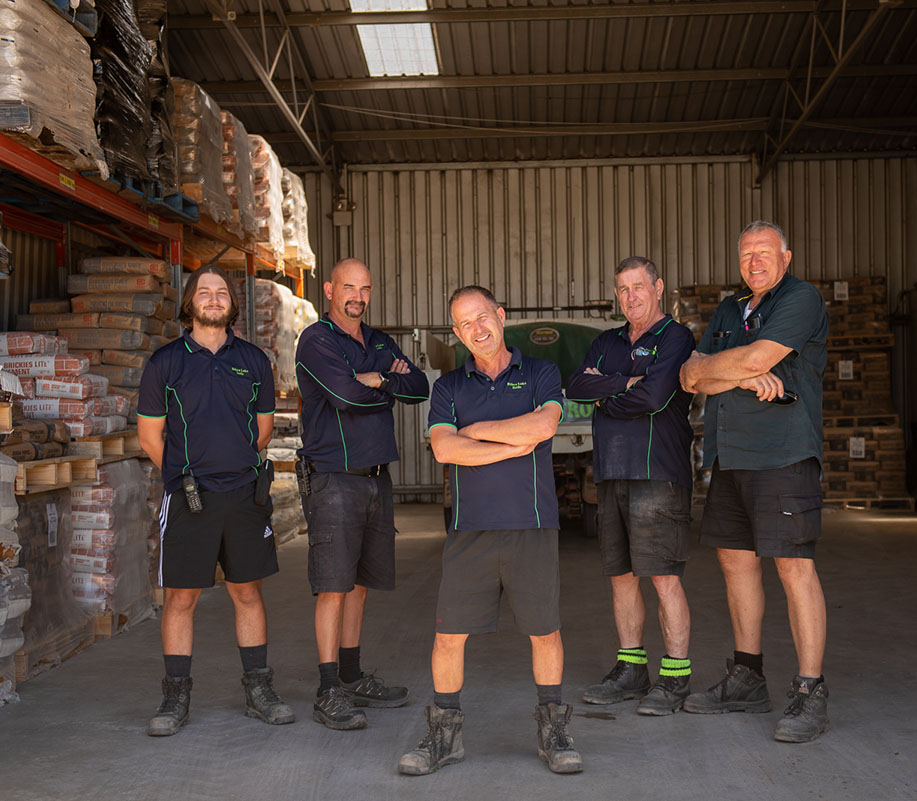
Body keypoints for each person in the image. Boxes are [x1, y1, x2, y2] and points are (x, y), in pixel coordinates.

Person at [399, 285, 582, 776]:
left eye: (482, 317)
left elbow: (543, 427)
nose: (476, 329)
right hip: (470, 531)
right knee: (448, 637)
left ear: (500, 316)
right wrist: (508, 442)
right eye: (464, 324)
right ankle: (445, 734)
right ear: (456, 335)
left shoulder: (542, 372)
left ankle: (554, 729)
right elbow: (443, 450)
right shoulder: (448, 388)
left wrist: (474, 430)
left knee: (545, 632)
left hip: (532, 525)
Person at [677, 220, 831, 743]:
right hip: (731, 458)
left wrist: (732, 368)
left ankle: (811, 691)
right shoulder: (728, 309)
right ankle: (747, 676)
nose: (755, 262)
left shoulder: (800, 299)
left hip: (784, 455)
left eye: (765, 253)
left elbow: (759, 358)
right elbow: (688, 376)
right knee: (735, 562)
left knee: (794, 566)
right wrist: (739, 373)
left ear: (786, 257)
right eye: (746, 254)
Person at [138, 263, 293, 736]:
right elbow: (150, 436)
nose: (213, 299)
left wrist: (231, 466)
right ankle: (175, 696)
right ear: (190, 303)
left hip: (244, 495)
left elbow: (263, 430)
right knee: (181, 597)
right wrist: (187, 474)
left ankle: (258, 689)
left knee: (247, 591)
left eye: (221, 292)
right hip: (189, 499)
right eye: (204, 292)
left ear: (231, 302)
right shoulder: (166, 362)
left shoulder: (254, 360)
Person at [294, 258, 429, 730]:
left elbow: (417, 386)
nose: (357, 295)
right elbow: (345, 397)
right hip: (333, 476)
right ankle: (328, 689)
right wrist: (368, 382)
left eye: (365, 288)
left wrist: (381, 378)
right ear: (329, 289)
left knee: (358, 584)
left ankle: (351, 677)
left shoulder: (377, 341)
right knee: (333, 585)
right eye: (349, 287)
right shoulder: (316, 340)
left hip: (375, 476)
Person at [565, 256, 696, 716]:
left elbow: (657, 396)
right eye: (622, 289)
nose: (630, 297)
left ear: (658, 287)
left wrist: (610, 393)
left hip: (658, 472)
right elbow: (578, 387)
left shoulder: (675, 337)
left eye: (638, 287)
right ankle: (631, 668)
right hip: (612, 473)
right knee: (620, 577)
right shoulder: (606, 342)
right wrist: (628, 385)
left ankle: (676, 676)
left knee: (663, 577)